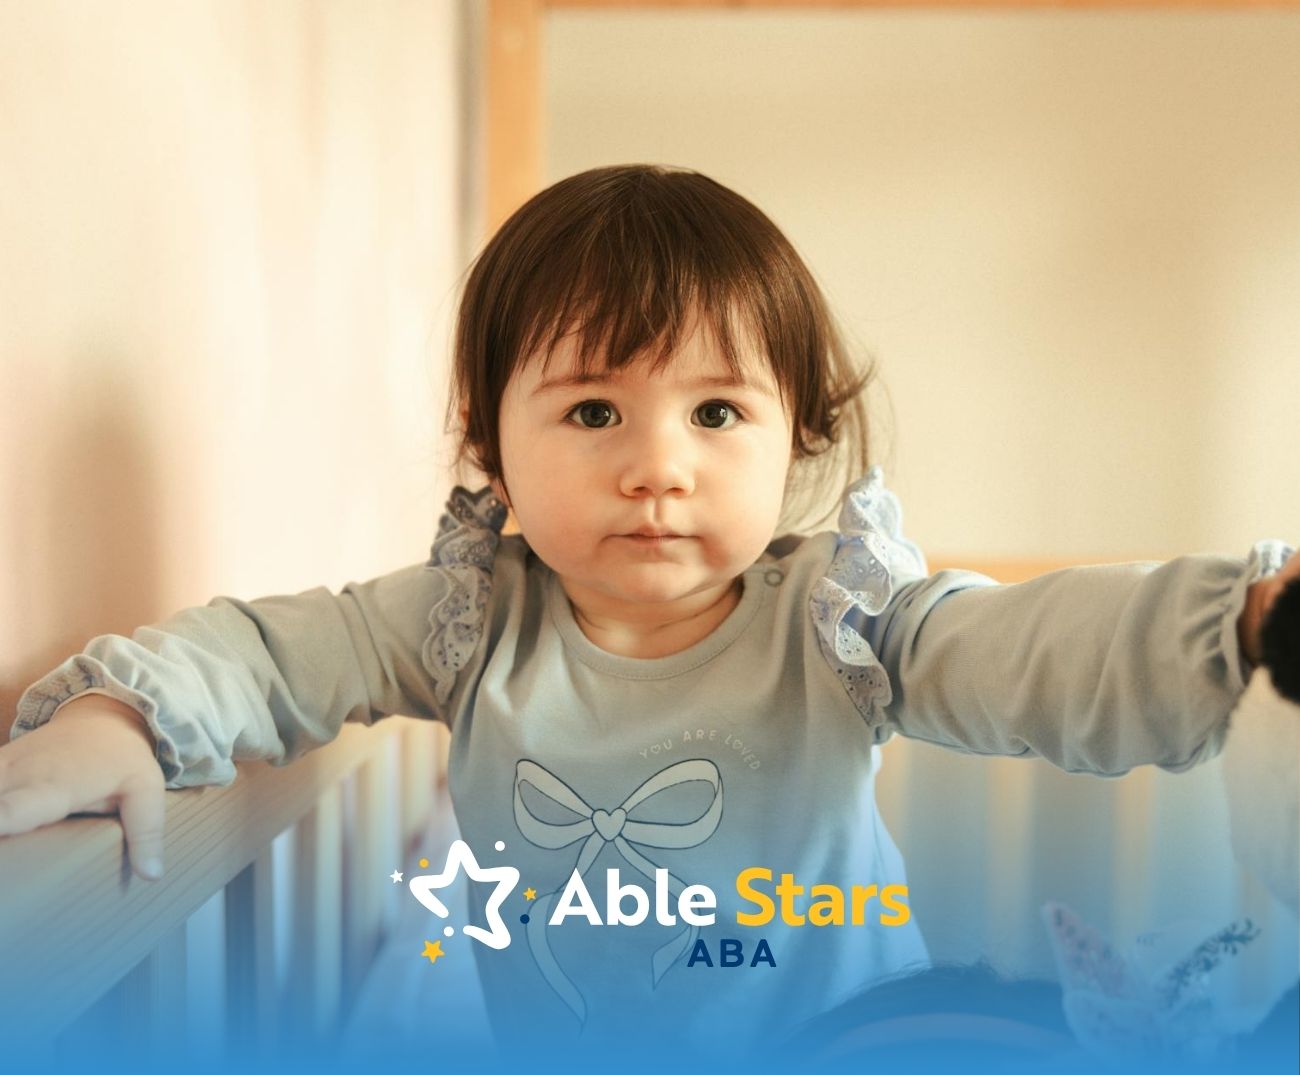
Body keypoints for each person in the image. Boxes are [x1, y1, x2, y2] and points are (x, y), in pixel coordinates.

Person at [2, 164, 1296, 1063]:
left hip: (847, 1042)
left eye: (717, 412)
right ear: (491, 447)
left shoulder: (842, 623)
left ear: (799, 442)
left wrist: (1236, 619)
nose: (658, 463)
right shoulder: (467, 620)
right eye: (592, 410)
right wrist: (125, 714)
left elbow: (1015, 645)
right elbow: (271, 652)